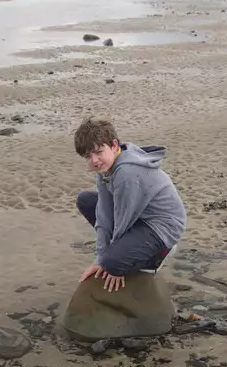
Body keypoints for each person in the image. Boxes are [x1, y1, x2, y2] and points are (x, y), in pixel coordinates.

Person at [74, 117, 186, 292]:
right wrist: (100, 258)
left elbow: (123, 221)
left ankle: (157, 256)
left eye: (98, 152)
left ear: (114, 145)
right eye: (88, 156)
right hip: (141, 217)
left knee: (112, 263)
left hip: (164, 225)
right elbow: (104, 214)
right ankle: (129, 251)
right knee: (86, 200)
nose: (94, 160)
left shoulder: (127, 172)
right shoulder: (105, 168)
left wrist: (114, 263)